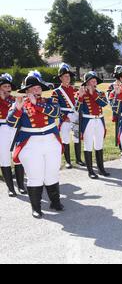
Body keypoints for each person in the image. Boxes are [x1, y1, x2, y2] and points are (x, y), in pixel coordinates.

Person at [8, 71, 64, 219]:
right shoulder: (19, 104)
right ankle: (36, 207)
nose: (35, 90)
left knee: (52, 173)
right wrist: (18, 109)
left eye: (38, 88)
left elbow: (56, 113)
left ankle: (55, 201)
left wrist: (36, 104)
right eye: (32, 88)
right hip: (30, 144)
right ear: (26, 91)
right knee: (35, 176)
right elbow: (10, 123)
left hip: (51, 141)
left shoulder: (49, 101)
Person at [76, 71, 110, 179]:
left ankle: (101, 168)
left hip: (99, 120)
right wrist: (80, 97)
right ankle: (90, 171)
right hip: (88, 121)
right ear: (87, 82)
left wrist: (93, 94)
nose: (94, 82)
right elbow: (77, 109)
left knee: (99, 145)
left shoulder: (99, 93)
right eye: (92, 80)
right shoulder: (81, 93)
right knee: (88, 145)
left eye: (95, 80)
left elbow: (104, 103)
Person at [52, 63, 85, 169]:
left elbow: (79, 105)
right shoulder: (56, 92)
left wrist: (80, 97)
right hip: (65, 118)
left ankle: (78, 159)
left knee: (76, 138)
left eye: (69, 76)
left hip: (75, 116)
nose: (68, 78)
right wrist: (62, 117)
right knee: (65, 139)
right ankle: (68, 161)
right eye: (65, 76)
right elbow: (55, 107)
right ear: (61, 78)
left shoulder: (74, 89)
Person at [0, 73, 26, 196]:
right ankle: (10, 188)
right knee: (4, 158)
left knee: (18, 157)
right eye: (5, 87)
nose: (8, 89)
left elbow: (18, 111)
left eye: (9, 87)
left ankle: (21, 185)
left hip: (14, 128)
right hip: (1, 130)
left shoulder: (13, 99)